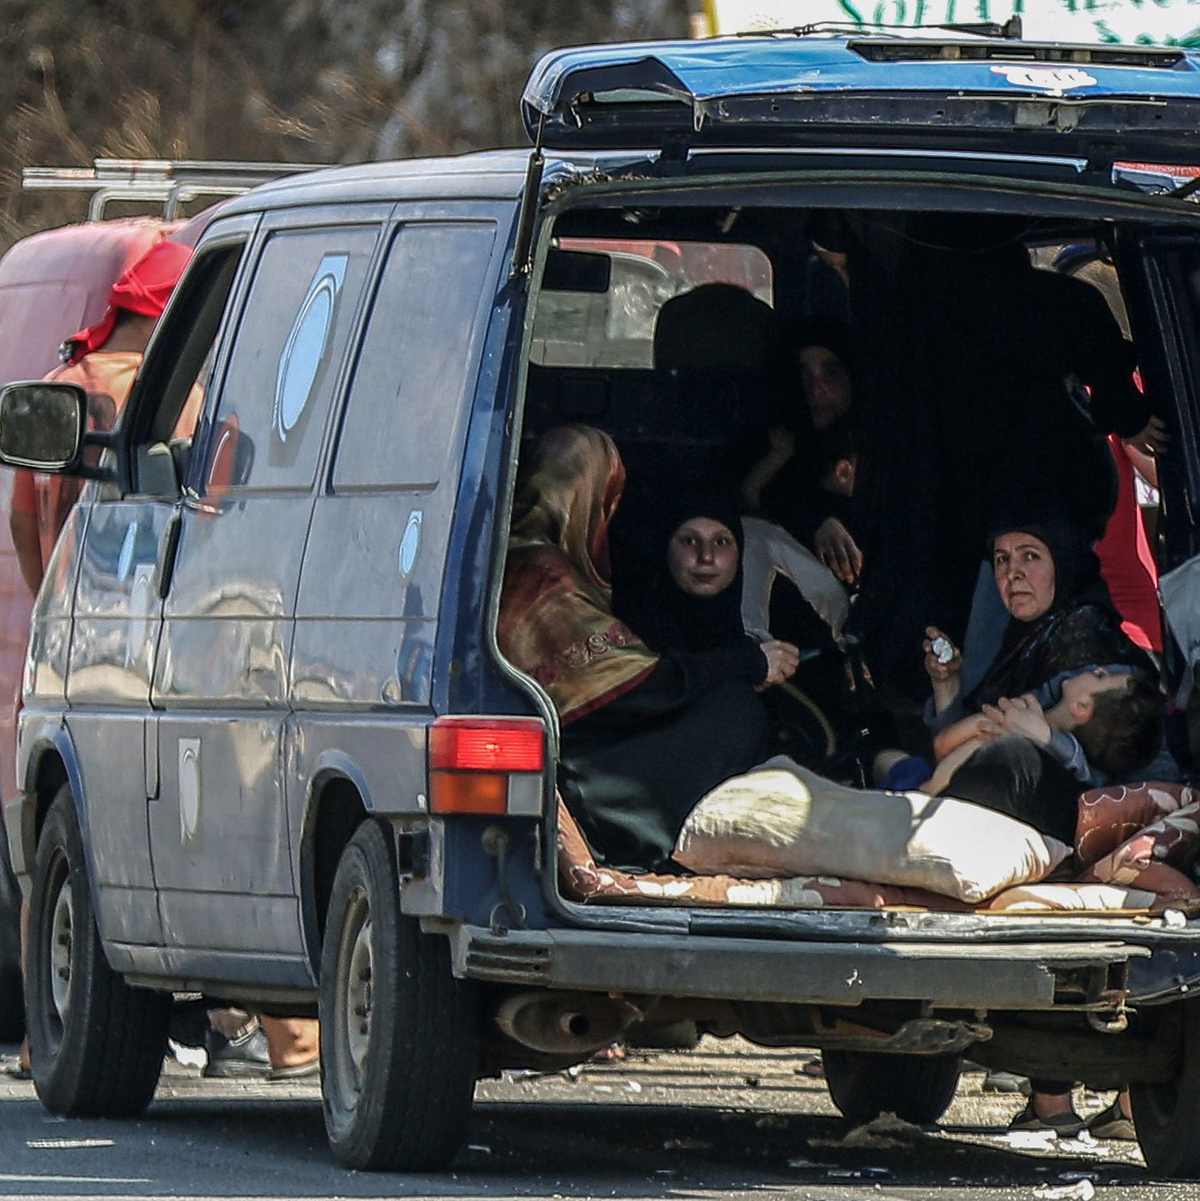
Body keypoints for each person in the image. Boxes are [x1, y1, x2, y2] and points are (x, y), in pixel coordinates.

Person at [498, 425, 800, 872]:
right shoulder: (542, 574)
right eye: (606, 497)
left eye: (722, 543)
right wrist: (746, 664)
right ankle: (652, 845)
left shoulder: (531, 561)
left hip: (582, 750)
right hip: (585, 769)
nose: (706, 557)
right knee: (735, 714)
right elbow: (635, 688)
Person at [10, 239, 199, 596]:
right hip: (143, 618)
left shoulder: (55, 387)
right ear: (173, 317)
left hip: (73, 620)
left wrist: (48, 605)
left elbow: (23, 520)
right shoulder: (183, 396)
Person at [741, 319, 864, 586]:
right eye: (802, 374)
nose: (815, 388)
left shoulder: (882, 443)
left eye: (830, 373)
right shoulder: (777, 440)